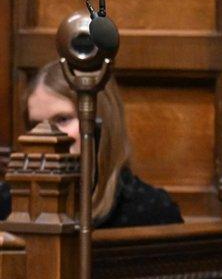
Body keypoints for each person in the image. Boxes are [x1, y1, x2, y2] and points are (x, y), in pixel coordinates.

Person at [3, 60, 183, 227]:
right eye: (35, 125)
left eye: (63, 119)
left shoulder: (151, 212)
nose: (46, 136)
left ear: (100, 122)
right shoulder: (7, 203)